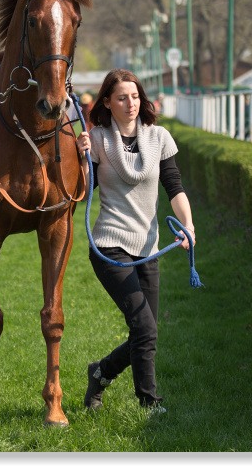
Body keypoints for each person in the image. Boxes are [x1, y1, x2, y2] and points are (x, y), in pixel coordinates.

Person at [75, 68, 197, 414]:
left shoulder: (159, 138)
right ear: (108, 104)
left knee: (147, 332)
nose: (130, 103)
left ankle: (100, 374)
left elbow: (174, 187)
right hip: (110, 246)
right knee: (145, 328)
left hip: (148, 248)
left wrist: (188, 224)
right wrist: (83, 159)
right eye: (121, 98)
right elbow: (85, 193)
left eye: (135, 96)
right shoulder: (96, 139)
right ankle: (150, 402)